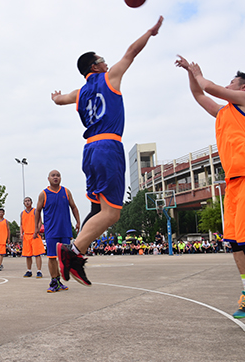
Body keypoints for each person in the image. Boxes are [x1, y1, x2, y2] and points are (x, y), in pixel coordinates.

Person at [51, 16, 163, 287]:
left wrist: (55, 98)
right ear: (95, 66)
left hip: (89, 150)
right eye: (102, 59)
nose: (107, 62)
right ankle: (72, 252)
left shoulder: (80, 93)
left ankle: (76, 255)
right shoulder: (110, 78)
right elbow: (131, 53)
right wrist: (149, 32)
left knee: (98, 208)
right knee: (112, 213)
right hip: (108, 147)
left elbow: (60, 100)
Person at [175, 56, 245, 324]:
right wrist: (190, 73)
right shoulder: (224, 113)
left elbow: (208, 87)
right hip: (234, 182)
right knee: (233, 241)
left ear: (243, 88)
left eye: (232, 82)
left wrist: (198, 74)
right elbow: (200, 95)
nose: (227, 85)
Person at [34, 170, 81, 293]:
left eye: (58, 175)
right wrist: (36, 227)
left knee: (65, 257)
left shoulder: (66, 191)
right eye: (53, 175)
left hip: (65, 230)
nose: (56, 177)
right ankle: (54, 281)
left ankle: (58, 280)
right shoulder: (43, 194)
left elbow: (73, 207)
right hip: (51, 231)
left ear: (60, 178)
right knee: (52, 256)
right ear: (48, 178)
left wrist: (78, 221)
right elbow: (37, 211)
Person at [20, 197, 44, 278]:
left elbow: (40, 221)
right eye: (25, 201)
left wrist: (37, 231)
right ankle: (29, 270)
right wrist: (21, 233)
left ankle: (39, 271)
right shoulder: (22, 213)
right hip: (26, 235)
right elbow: (21, 224)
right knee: (28, 255)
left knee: (37, 254)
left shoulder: (35, 211)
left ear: (31, 202)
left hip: (35, 235)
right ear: (24, 203)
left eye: (28, 201)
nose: (27, 202)